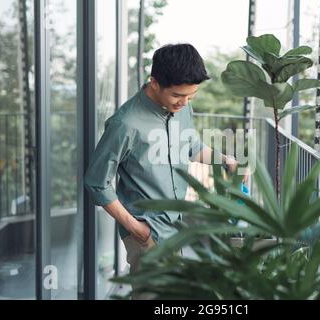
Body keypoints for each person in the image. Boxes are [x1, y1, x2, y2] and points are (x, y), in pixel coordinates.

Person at [84, 44, 246, 298]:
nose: (184, 102)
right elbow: (96, 182)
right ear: (154, 82)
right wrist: (137, 229)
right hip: (147, 230)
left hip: (177, 223)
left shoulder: (181, 107)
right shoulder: (125, 124)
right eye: (178, 96)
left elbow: (191, 146)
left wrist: (225, 159)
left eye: (191, 97)